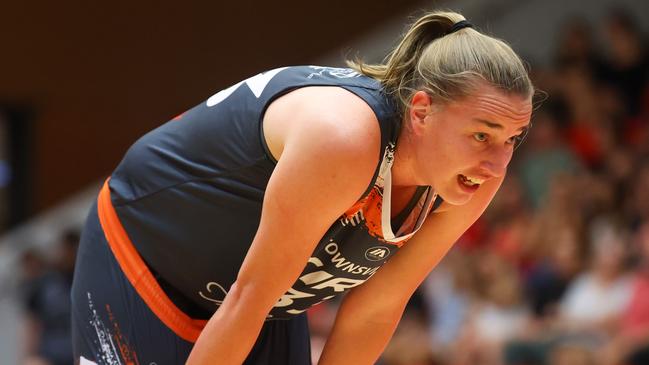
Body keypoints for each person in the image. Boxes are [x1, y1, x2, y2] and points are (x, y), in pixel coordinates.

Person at [70, 10, 534, 365]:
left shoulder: (472, 176)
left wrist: (486, 144)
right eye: (481, 134)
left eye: (513, 139)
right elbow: (246, 300)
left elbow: (374, 310)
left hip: (256, 299)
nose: (497, 164)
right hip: (143, 258)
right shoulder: (344, 138)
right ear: (421, 111)